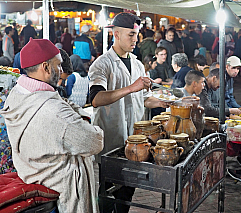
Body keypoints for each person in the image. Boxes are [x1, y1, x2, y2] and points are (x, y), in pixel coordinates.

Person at [0, 38, 104, 212]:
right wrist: (88, 122)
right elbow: (94, 141)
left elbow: (65, 105)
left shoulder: (18, 93)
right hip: (60, 188)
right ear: (46, 67)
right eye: (58, 65)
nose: (61, 70)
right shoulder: (54, 111)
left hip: (32, 173)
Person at [88, 12, 168, 213]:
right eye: (131, 35)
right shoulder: (102, 64)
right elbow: (96, 99)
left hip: (134, 140)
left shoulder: (137, 63)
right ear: (116, 34)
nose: (135, 40)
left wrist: (163, 102)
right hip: (112, 138)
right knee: (107, 191)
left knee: (127, 191)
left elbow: (142, 99)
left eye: (137, 35)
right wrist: (132, 87)